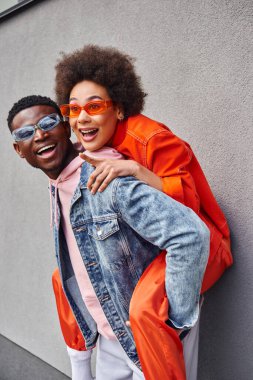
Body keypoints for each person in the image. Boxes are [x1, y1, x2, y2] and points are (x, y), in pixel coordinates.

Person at [53, 45, 233, 379]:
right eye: (73, 109)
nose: (81, 118)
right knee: (67, 275)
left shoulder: (151, 140)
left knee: (146, 309)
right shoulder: (92, 148)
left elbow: (188, 212)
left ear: (119, 109)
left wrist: (137, 171)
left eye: (94, 106)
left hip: (202, 246)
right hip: (157, 250)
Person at [8, 95, 210, 380]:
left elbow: (190, 235)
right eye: (26, 133)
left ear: (66, 128)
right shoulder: (59, 184)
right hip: (111, 335)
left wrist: (175, 323)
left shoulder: (105, 179)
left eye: (48, 123)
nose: (40, 134)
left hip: (149, 339)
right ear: (19, 149)